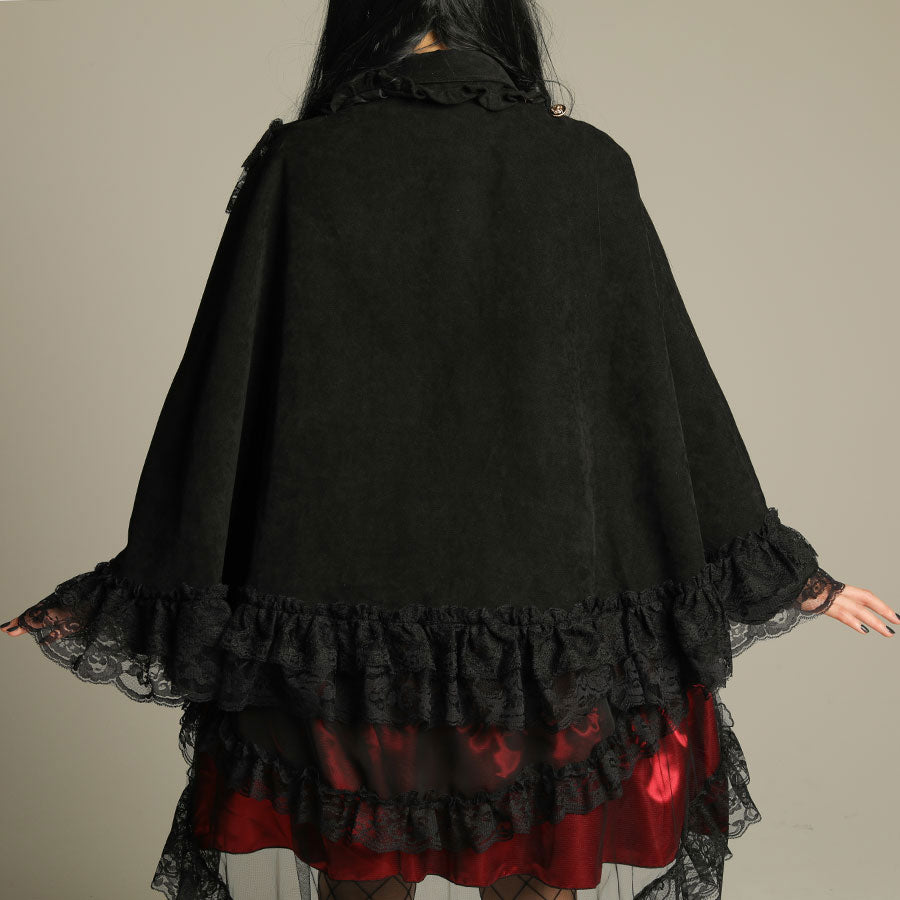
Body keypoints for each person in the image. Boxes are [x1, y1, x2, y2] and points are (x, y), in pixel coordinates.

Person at [3, 4, 896, 900]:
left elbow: (219, 393)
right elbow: (664, 392)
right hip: (542, 652)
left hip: (343, 653)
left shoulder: (303, 163)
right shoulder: (583, 164)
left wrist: (131, 586)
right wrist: (793, 578)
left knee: (361, 869)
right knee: (536, 866)